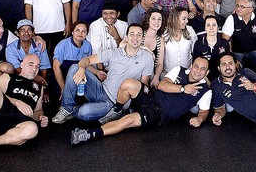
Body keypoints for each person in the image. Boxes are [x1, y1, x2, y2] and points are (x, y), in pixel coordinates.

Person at [70, 57, 212, 145]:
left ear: (207, 73)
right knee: (128, 84)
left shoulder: (205, 90)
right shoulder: (179, 70)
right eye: (196, 66)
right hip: (152, 96)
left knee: (128, 120)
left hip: (158, 114)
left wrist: (200, 119)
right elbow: (162, 85)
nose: (198, 71)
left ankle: (88, 134)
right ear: (192, 65)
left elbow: (204, 111)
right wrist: (183, 89)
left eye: (203, 69)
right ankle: (117, 110)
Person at [52, 24, 154, 123]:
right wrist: (82, 69)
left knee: (84, 113)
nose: (135, 38)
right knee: (75, 68)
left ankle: (106, 112)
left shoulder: (147, 57)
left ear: (142, 38)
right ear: (126, 37)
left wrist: (132, 108)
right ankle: (67, 108)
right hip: (100, 89)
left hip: (114, 102)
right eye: (132, 34)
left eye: (139, 35)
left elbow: (143, 85)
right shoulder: (114, 52)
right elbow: (86, 60)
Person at [221, 0, 256, 73]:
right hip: (237, 53)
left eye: (242, 7)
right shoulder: (231, 18)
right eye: (238, 6)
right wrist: (232, 58)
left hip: (254, 51)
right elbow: (224, 41)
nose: (238, 9)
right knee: (238, 70)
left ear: (250, 9)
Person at [52, 22, 94, 100]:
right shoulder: (63, 45)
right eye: (77, 30)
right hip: (62, 77)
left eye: (84, 31)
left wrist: (98, 72)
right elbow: (56, 67)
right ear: (72, 32)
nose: (80, 33)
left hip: (79, 77)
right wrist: (63, 88)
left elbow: (87, 65)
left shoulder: (87, 45)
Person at [5, 19, 51, 88]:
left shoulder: (40, 45)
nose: (26, 33)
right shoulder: (10, 48)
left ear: (33, 33)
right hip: (20, 79)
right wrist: (34, 77)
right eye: (23, 30)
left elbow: (44, 68)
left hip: (38, 79)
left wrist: (43, 86)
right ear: (17, 33)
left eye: (29, 30)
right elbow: (17, 69)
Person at [162, 7, 198, 77]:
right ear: (175, 19)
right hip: (167, 74)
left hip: (186, 73)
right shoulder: (164, 33)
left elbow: (195, 51)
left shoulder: (190, 30)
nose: (187, 21)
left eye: (187, 18)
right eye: (184, 19)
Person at [193, 15, 230, 80]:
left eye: (214, 25)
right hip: (203, 77)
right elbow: (195, 64)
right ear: (204, 28)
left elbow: (227, 61)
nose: (211, 28)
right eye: (208, 25)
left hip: (221, 77)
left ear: (218, 27)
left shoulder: (225, 43)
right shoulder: (198, 43)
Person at [141, 9, 166, 88]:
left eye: (159, 19)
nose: (157, 22)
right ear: (148, 20)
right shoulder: (140, 33)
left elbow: (160, 63)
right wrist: (146, 48)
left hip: (150, 73)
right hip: (135, 70)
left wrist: (156, 77)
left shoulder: (161, 40)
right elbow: (123, 44)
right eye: (153, 19)